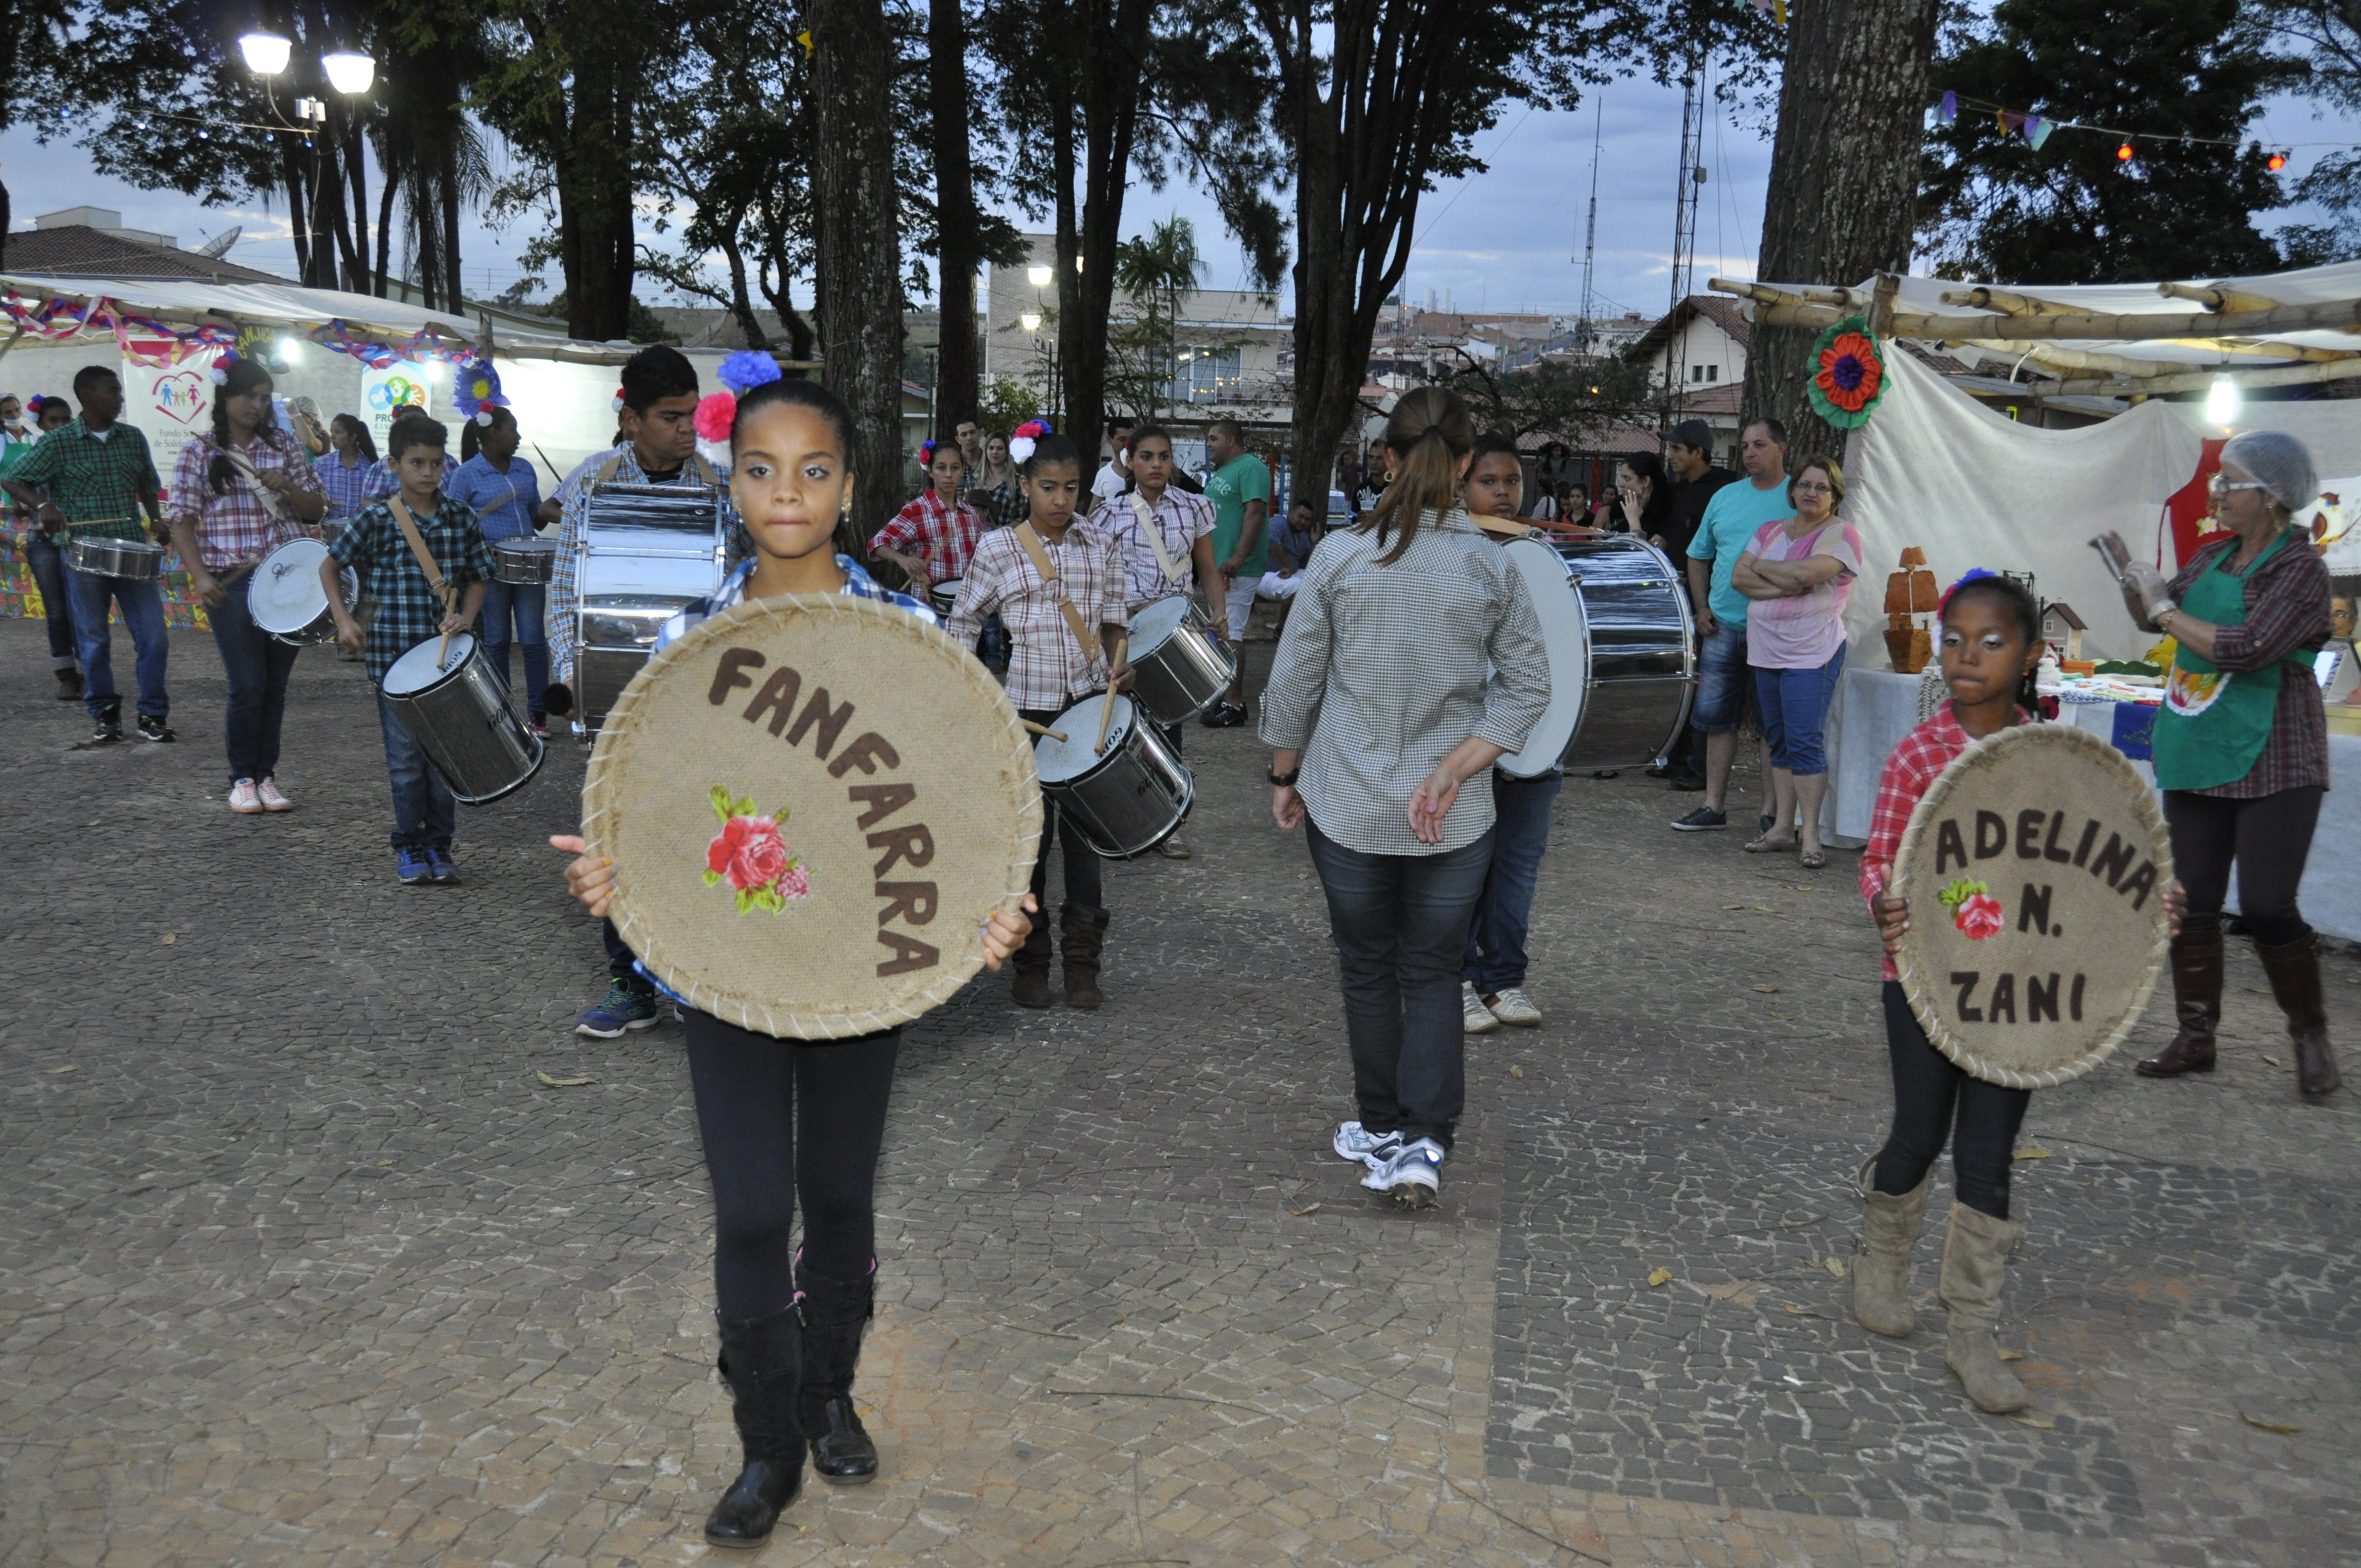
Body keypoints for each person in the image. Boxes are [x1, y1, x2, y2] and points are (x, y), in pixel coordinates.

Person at [550, 370, 1038, 1549]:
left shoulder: (911, 641)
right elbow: (651, 815)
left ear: (848, 484)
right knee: (753, 1206)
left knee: (837, 1194)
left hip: (862, 971)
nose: (786, 492)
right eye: (760, 468)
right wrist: (607, 880)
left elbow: (970, 804)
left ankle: (828, 1392)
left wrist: (993, 913)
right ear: (731, 481)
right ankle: (766, 1441)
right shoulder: (690, 643)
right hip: (726, 971)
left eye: (812, 469)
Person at [1858, 571, 2185, 1413]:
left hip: (2024, 996)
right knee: (1918, 1135)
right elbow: (1881, 858)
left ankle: (1971, 1332)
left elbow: (2101, 868)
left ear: (2033, 654)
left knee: (1989, 1157)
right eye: (1954, 639)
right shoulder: (1918, 756)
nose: (1968, 655)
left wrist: (2151, 904)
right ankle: (1883, 1262)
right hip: (1924, 985)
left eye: (1992, 641)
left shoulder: (2059, 760)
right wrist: (1887, 900)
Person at [1261, 387, 1549, 1208]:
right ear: (1464, 466)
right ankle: (1425, 1143)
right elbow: (1529, 690)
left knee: (1367, 971)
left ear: (1386, 459)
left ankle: (1383, 1126)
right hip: (1452, 817)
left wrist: (1286, 775)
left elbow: (1292, 686)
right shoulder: (1492, 564)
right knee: (1432, 973)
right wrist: (1460, 766)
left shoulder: (1342, 557)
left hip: (1346, 800)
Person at [2113, 430, 2341, 1098]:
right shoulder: (2213, 553)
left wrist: (2161, 603)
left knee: (2269, 904)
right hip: (2201, 740)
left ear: (2271, 498)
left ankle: (2309, 1032)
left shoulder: (2301, 569)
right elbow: (2158, 622)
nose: (2216, 494)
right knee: (2191, 901)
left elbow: (2247, 647)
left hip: (2280, 752)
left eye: (2228, 483)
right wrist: (2135, 582)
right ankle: (2195, 1035)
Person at [546, 346, 719, 1036]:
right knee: (619, 841)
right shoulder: (592, 485)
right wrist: (570, 675)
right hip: (616, 702)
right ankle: (630, 983)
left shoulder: (720, 488)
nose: (688, 430)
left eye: (692, 415)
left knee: (703, 839)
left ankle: (698, 978)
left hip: (700, 704)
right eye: (671, 417)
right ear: (631, 418)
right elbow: (567, 592)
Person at [944, 431, 1133, 1009]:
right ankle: (1031, 964)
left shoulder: (1100, 544)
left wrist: (1122, 670)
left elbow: (1117, 625)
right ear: (1024, 487)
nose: (1060, 499)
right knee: (1030, 844)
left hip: (1086, 715)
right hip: (1024, 716)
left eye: (1071, 488)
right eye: (1048, 487)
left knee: (1083, 845)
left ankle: (1082, 968)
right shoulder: (999, 548)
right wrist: (973, 693)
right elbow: (963, 623)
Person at [324, 416, 493, 885]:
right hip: (392, 663)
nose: (428, 472)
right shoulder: (376, 518)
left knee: (445, 759)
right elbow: (329, 567)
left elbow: (480, 576)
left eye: (437, 464)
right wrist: (343, 621)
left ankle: (440, 846)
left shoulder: (461, 518)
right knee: (404, 761)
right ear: (395, 465)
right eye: (417, 463)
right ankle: (409, 845)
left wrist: (467, 619)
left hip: (446, 665)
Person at [167, 357, 329, 814]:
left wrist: (288, 490)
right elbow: (181, 522)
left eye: (263, 397)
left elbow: (317, 508)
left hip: (288, 579)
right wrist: (200, 577)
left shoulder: (284, 446)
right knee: (247, 684)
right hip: (231, 581)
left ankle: (267, 776)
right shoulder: (200, 451)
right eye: (248, 396)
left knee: (275, 685)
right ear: (225, 396)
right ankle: (241, 777)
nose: (256, 405)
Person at [2, 366, 172, 745]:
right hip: (83, 554)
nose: (121, 397)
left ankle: (152, 715)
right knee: (94, 641)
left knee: (154, 637)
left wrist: (157, 521)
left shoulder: (132, 438)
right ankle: (106, 715)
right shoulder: (59, 442)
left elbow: (148, 486)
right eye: (113, 390)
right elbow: (12, 477)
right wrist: (44, 504)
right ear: (89, 396)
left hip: (131, 549)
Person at [1456, 431, 1561, 1035]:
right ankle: (1457, 978)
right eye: (1487, 481)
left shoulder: (1543, 554)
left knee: (1517, 865)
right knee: (1462, 865)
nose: (1502, 492)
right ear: (1462, 485)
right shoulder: (1448, 553)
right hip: (1465, 741)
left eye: (1511, 481)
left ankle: (1503, 979)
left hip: (1533, 740)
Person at [1091, 422, 1221, 861]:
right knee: (1121, 725)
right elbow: (1097, 578)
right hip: (1124, 632)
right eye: (1146, 457)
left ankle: (1169, 826)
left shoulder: (1194, 507)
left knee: (1169, 728)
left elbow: (1207, 568)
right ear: (1130, 461)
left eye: (1164, 457)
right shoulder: (1110, 513)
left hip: (1173, 633)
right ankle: (1124, 823)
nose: (1156, 465)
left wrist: (1219, 615)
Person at [1730, 455, 1860, 869]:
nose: (1811, 492)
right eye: (1805, 484)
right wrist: (1786, 583)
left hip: (1812, 651)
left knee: (1804, 739)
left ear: (1835, 496)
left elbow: (1809, 573)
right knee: (1778, 738)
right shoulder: (1770, 530)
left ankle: (1812, 835)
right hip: (1766, 646)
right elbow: (1738, 578)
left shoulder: (1841, 534)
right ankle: (1783, 828)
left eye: (1822, 487)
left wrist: (1766, 571)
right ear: (1793, 490)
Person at [1673, 418, 1792, 834]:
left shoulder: (1799, 497)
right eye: (1744, 446)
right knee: (1715, 720)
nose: (1749, 453)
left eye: (1759, 445)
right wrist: (1701, 606)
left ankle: (1771, 812)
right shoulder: (1725, 496)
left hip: (1775, 629)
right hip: (1721, 625)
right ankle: (1713, 805)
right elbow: (1697, 555)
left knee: (1769, 725)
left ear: (1781, 448)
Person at [450, 407, 550, 731]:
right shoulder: (466, 474)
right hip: (489, 566)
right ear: (493, 434)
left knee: (534, 639)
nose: (518, 437)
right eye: (513, 430)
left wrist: (559, 507)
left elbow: (536, 515)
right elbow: (455, 523)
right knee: (497, 640)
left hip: (527, 566)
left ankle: (538, 713)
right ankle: (504, 712)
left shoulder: (525, 469)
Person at [1655, 421, 1736, 791]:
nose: (1670, 456)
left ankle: (1699, 765)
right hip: (1678, 599)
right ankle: (1677, 756)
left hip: (1708, 603)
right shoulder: (1680, 490)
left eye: (1676, 450)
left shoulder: (1722, 490)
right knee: (1684, 680)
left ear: (1698, 452)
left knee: (1707, 686)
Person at [3, 392, 83, 701]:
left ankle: (88, 670)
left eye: (66, 419)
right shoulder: (31, 455)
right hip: (43, 540)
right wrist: (33, 505)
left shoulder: (79, 453)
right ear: (42, 423)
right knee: (57, 612)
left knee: (82, 609)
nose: (61, 425)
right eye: (54, 420)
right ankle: (66, 675)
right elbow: (15, 493)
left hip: (76, 538)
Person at [1201, 417, 1271, 726]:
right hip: (1217, 567)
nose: (1209, 444)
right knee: (1218, 632)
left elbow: (1256, 511)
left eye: (1214, 439)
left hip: (1237, 567)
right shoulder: (1220, 474)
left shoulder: (1251, 467)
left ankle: (1235, 704)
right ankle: (1222, 693)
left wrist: (1239, 555)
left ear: (1231, 440)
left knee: (1232, 632)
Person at [871, 434, 983, 593]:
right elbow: (877, 544)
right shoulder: (916, 511)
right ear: (930, 471)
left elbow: (985, 553)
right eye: (941, 468)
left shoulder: (970, 513)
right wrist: (903, 560)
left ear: (962, 471)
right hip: (929, 604)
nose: (949, 474)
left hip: (966, 606)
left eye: (955, 468)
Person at [315, 413, 377, 523]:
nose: (332, 437)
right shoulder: (323, 463)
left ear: (353, 437)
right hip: (329, 529)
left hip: (361, 530)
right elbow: (310, 489)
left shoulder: (369, 467)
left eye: (338, 432)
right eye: (332, 431)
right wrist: (322, 498)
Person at [1607, 452, 1672, 543]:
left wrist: (1634, 520)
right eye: (1622, 478)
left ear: (1646, 481)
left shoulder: (1665, 514)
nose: (1621, 484)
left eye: (1627, 479)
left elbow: (1642, 553)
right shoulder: (1628, 504)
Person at [973, 429, 1026, 528]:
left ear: (1007, 452)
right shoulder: (974, 479)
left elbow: (1022, 518)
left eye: (1000, 448)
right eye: (991, 448)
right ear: (986, 451)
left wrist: (999, 530)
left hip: (1006, 538)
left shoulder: (1017, 483)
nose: (995, 452)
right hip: (975, 537)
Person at [1092, 416, 1134, 503]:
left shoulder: (1143, 471)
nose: (1127, 444)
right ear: (1109, 440)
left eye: (1130, 439)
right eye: (1122, 440)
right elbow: (1094, 510)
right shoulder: (1104, 474)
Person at [1351, 437, 1388, 519]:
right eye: (1371, 457)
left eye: (1379, 458)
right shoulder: (1360, 490)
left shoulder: (1397, 489)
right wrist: (1359, 522)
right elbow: (1352, 524)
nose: (1374, 462)